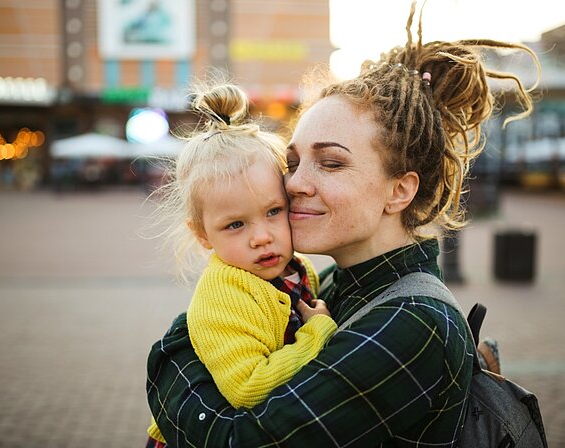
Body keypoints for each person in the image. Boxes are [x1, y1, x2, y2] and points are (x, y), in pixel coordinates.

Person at [146, 2, 539, 446]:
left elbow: (240, 441)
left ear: (400, 191)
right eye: (293, 162)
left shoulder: (413, 325)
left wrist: (169, 353)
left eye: (330, 163)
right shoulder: (330, 284)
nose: (295, 184)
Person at [145, 83, 337, 446]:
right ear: (203, 234)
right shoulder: (226, 294)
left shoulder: (296, 268)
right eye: (236, 224)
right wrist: (318, 334)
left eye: (273, 212)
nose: (261, 237)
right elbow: (248, 388)